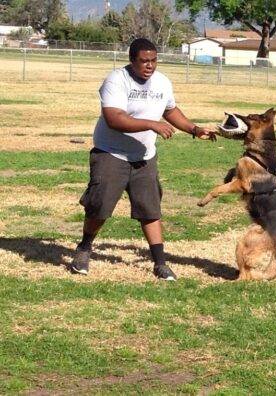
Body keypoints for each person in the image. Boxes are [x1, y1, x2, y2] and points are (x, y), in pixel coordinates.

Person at [70, 38, 216, 281]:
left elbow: (170, 110)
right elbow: (114, 118)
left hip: (144, 156)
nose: (150, 66)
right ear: (132, 60)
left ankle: (160, 263)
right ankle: (84, 248)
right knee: (100, 207)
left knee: (150, 209)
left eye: (154, 60)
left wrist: (194, 129)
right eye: (144, 61)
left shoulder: (162, 82)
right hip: (111, 152)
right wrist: (151, 124)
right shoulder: (117, 80)